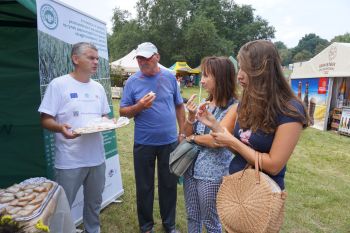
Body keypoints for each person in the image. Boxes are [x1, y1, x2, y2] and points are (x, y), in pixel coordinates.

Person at [198, 40, 309, 194]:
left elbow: (274, 166)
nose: (239, 76)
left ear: (262, 70)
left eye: (245, 69)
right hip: (237, 187)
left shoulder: (290, 110)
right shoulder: (248, 101)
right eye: (240, 68)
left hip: (263, 195)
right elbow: (242, 150)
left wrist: (233, 142)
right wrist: (214, 125)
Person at [38, 42, 110, 233]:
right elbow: (45, 119)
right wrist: (60, 127)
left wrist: (107, 122)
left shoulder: (98, 88)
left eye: (97, 58)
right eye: (91, 57)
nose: (96, 62)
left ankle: (92, 230)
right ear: (75, 59)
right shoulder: (59, 84)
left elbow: (104, 116)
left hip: (96, 158)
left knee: (94, 203)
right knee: (62, 207)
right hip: (70, 160)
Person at [119, 42, 185, 233]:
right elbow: (123, 112)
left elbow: (179, 105)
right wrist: (139, 106)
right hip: (144, 143)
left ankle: (169, 225)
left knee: (169, 185)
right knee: (144, 186)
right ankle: (146, 227)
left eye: (146, 57)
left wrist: (182, 132)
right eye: (139, 58)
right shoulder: (132, 82)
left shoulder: (170, 78)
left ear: (157, 57)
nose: (142, 62)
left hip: (169, 142)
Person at [183, 57, 238, 232]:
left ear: (220, 78)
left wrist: (193, 139)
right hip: (191, 169)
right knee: (192, 216)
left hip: (211, 174)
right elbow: (186, 134)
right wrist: (191, 117)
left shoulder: (234, 108)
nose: (203, 80)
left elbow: (217, 140)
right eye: (202, 75)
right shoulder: (205, 104)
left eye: (206, 75)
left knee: (211, 221)